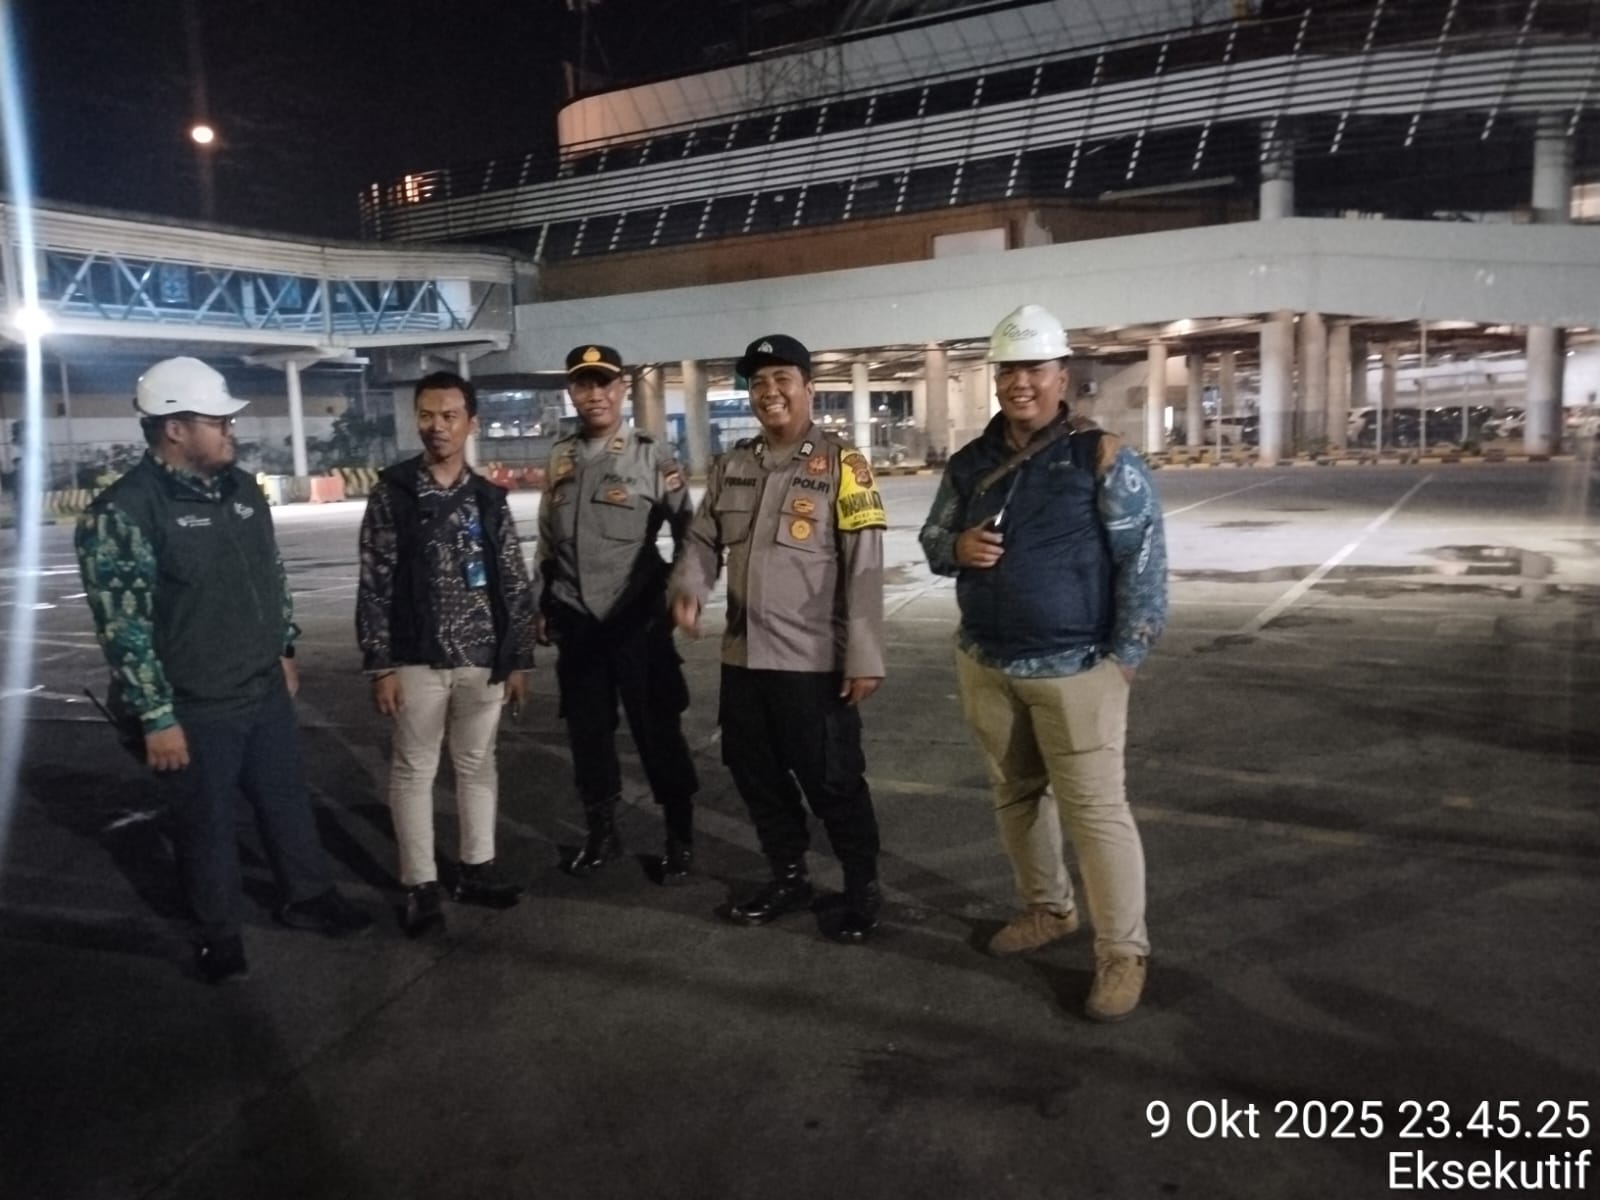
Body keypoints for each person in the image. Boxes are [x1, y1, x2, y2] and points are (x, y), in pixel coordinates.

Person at [75, 356, 372, 984]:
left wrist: (283, 646)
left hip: (261, 687)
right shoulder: (123, 512)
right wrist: (157, 717)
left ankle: (309, 897)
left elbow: (271, 572)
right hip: (195, 703)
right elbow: (124, 628)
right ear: (174, 428)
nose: (231, 430)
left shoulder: (241, 490)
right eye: (218, 422)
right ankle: (218, 933)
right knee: (204, 825)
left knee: (286, 801)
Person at [917, 305, 1168, 1022]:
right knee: (1016, 795)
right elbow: (933, 537)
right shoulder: (971, 463)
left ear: (1062, 375)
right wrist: (955, 547)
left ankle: (1122, 952)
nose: (1020, 382)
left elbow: (1144, 562)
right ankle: (1047, 909)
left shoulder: (1102, 457)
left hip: (1077, 667)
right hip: (987, 662)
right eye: (1009, 370)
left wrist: (1125, 658)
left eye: (1034, 368)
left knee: (1097, 816)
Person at [670, 334, 887, 944]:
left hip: (812, 663)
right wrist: (690, 586)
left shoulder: (844, 466)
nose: (770, 392)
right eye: (759, 383)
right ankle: (788, 876)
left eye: (782, 379)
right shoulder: (733, 465)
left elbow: (865, 565)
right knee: (754, 773)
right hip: (744, 658)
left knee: (833, 782)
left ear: (808, 388)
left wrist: (864, 656)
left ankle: (863, 887)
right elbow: (702, 539)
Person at [357, 371, 536, 937]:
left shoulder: (489, 498)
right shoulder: (393, 493)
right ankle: (420, 884)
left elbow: (514, 581)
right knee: (414, 770)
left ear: (471, 424)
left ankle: (477, 867)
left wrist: (518, 659)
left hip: (482, 659)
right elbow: (375, 581)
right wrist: (381, 664)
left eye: (449, 416)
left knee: (478, 764)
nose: (437, 426)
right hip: (416, 657)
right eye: (427, 415)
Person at [536, 345, 699, 879]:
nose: (595, 395)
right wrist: (542, 600)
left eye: (604, 383)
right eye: (584, 384)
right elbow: (547, 539)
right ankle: (601, 833)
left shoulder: (651, 455)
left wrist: (683, 589)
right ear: (572, 391)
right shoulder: (561, 457)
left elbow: (690, 531)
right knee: (588, 733)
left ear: (622, 389)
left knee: (657, 730)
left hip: (637, 620)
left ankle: (679, 833)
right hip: (577, 620)